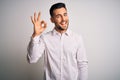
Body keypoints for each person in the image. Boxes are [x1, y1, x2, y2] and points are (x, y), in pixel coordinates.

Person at [27, 2, 88, 80]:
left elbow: (82, 65)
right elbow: (32, 59)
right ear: (52, 20)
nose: (63, 19)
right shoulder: (45, 38)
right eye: (58, 16)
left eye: (65, 14)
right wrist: (35, 35)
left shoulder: (77, 38)